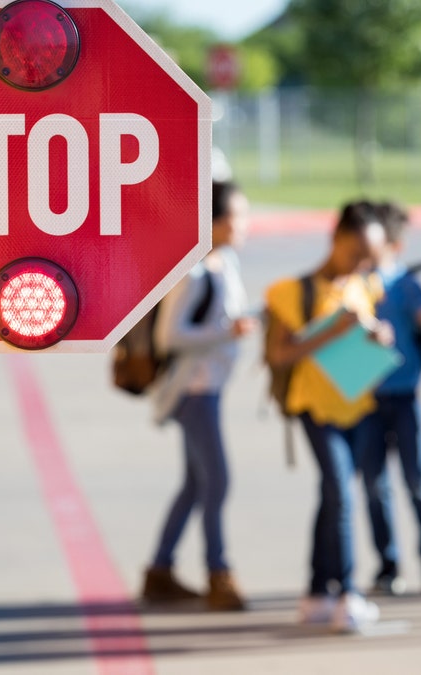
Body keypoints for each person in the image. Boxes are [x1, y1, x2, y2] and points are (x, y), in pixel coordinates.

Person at [265, 201, 393, 633]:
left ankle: (318, 589)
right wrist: (329, 334)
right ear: (336, 239)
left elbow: (376, 329)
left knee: (333, 496)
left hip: (357, 403)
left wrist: (378, 334)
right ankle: (349, 591)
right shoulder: (294, 291)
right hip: (314, 406)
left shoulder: (366, 285)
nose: (361, 263)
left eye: (369, 258)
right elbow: (279, 355)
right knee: (341, 492)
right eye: (356, 252)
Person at [141, 181, 259, 611]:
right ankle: (218, 572)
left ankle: (159, 570)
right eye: (237, 216)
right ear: (215, 222)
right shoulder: (191, 273)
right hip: (193, 391)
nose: (244, 224)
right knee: (217, 480)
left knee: (195, 484)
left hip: (211, 385)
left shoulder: (224, 263)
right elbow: (169, 336)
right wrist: (226, 332)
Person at [355, 201, 421, 597]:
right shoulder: (356, 283)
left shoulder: (404, 284)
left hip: (404, 395)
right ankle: (387, 563)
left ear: (393, 244)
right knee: (374, 485)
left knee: (418, 481)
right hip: (366, 397)